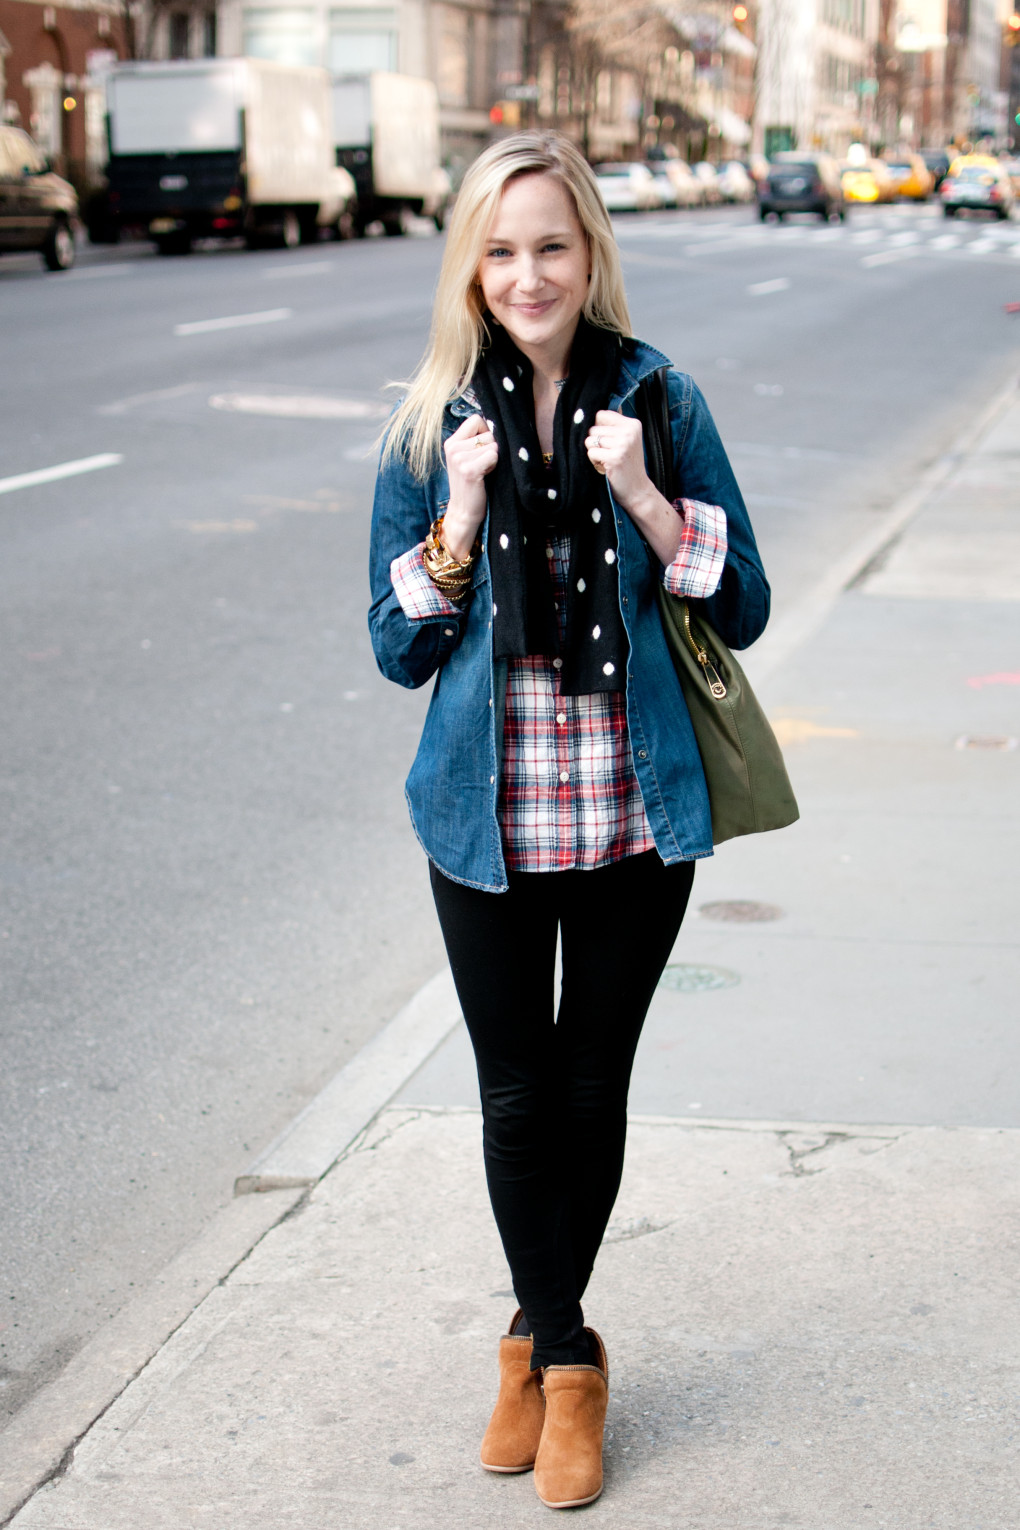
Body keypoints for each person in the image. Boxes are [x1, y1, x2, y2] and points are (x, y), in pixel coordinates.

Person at [368, 131, 768, 1510]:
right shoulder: (432, 431)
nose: (527, 272)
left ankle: (552, 1363)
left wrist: (649, 496)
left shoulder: (660, 396)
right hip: (483, 810)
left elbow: (746, 605)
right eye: (500, 248)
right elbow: (397, 648)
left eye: (551, 243)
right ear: (470, 268)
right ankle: (559, 1341)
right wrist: (461, 516)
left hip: (629, 805)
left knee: (589, 1086)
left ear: (590, 250)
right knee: (513, 1090)